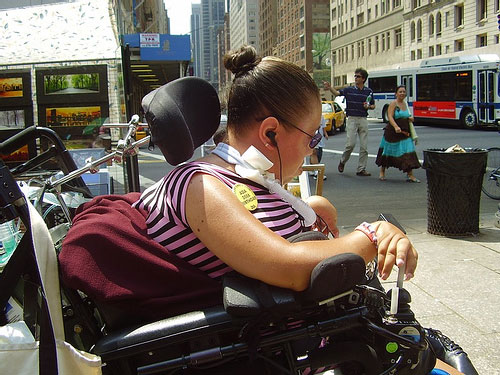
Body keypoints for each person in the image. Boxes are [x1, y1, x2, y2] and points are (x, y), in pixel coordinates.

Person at [134, 45, 416, 294]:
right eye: (312, 138)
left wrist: (306, 207)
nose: (311, 150)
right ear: (271, 133)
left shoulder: (247, 178)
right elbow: (287, 266)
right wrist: (373, 235)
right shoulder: (200, 186)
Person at [323, 69, 374, 177]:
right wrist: (330, 87)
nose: (356, 78)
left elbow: (373, 105)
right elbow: (337, 93)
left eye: (358, 76)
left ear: (363, 79)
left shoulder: (368, 91)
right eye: (355, 76)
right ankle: (342, 161)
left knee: (364, 147)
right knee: (350, 144)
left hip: (363, 118)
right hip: (352, 118)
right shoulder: (349, 90)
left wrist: (368, 106)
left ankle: (361, 168)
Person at [375, 85, 421, 182]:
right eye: (400, 92)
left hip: (404, 133)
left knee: (409, 151)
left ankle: (410, 175)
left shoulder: (406, 104)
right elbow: (390, 117)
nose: (402, 93)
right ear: (396, 94)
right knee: (387, 152)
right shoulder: (393, 104)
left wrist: (410, 118)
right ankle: (382, 172)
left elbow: (407, 116)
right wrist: (396, 126)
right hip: (392, 133)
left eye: (404, 92)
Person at [309, 115, 328, 180]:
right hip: (309, 133)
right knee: (313, 152)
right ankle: (316, 172)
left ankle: (312, 169)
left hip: (317, 136)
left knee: (316, 153)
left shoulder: (320, 114)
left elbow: (323, 126)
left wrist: (325, 133)